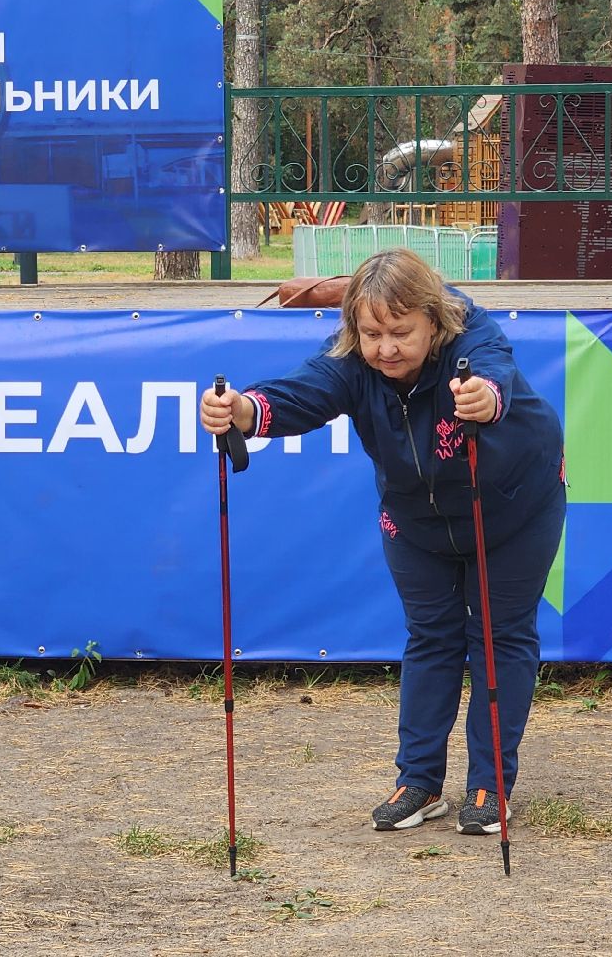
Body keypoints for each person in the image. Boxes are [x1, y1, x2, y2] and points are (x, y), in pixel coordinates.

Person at [201, 248, 565, 835]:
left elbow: (494, 374)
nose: (385, 348)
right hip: (414, 520)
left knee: (497, 637)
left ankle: (488, 785)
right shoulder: (350, 358)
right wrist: (244, 409)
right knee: (430, 636)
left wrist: (485, 399)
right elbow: (302, 393)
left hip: (513, 506)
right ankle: (419, 781)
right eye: (372, 333)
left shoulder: (472, 332)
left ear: (433, 320)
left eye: (401, 332)